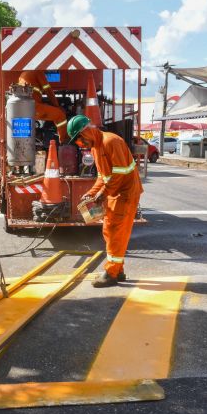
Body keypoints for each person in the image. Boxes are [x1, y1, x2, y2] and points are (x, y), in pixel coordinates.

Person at [67, 114, 142, 287]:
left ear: (87, 131)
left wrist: (103, 192)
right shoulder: (96, 147)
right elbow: (103, 175)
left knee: (115, 231)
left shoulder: (110, 142)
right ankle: (118, 269)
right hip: (115, 193)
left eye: (79, 139)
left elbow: (120, 174)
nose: (80, 144)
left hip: (125, 193)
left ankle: (112, 273)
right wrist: (92, 192)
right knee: (110, 230)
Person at [18, 70, 68, 143]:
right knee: (60, 115)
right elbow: (48, 90)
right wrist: (57, 106)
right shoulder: (38, 72)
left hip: (21, 108)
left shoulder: (23, 74)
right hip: (33, 107)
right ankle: (64, 142)